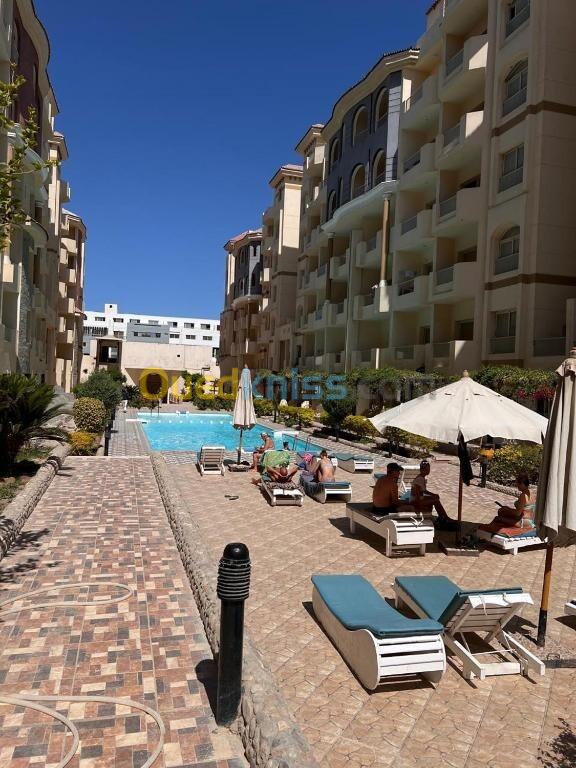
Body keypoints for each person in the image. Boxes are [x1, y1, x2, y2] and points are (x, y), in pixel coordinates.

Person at [410, 460, 457, 530]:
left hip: (418, 499)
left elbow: (424, 491)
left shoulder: (421, 478)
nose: (427, 471)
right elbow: (417, 495)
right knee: (436, 501)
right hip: (415, 501)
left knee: (435, 499)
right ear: (421, 470)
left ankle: (442, 517)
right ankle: (445, 518)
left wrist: (433, 495)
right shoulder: (419, 479)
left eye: (428, 469)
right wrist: (420, 505)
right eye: (426, 469)